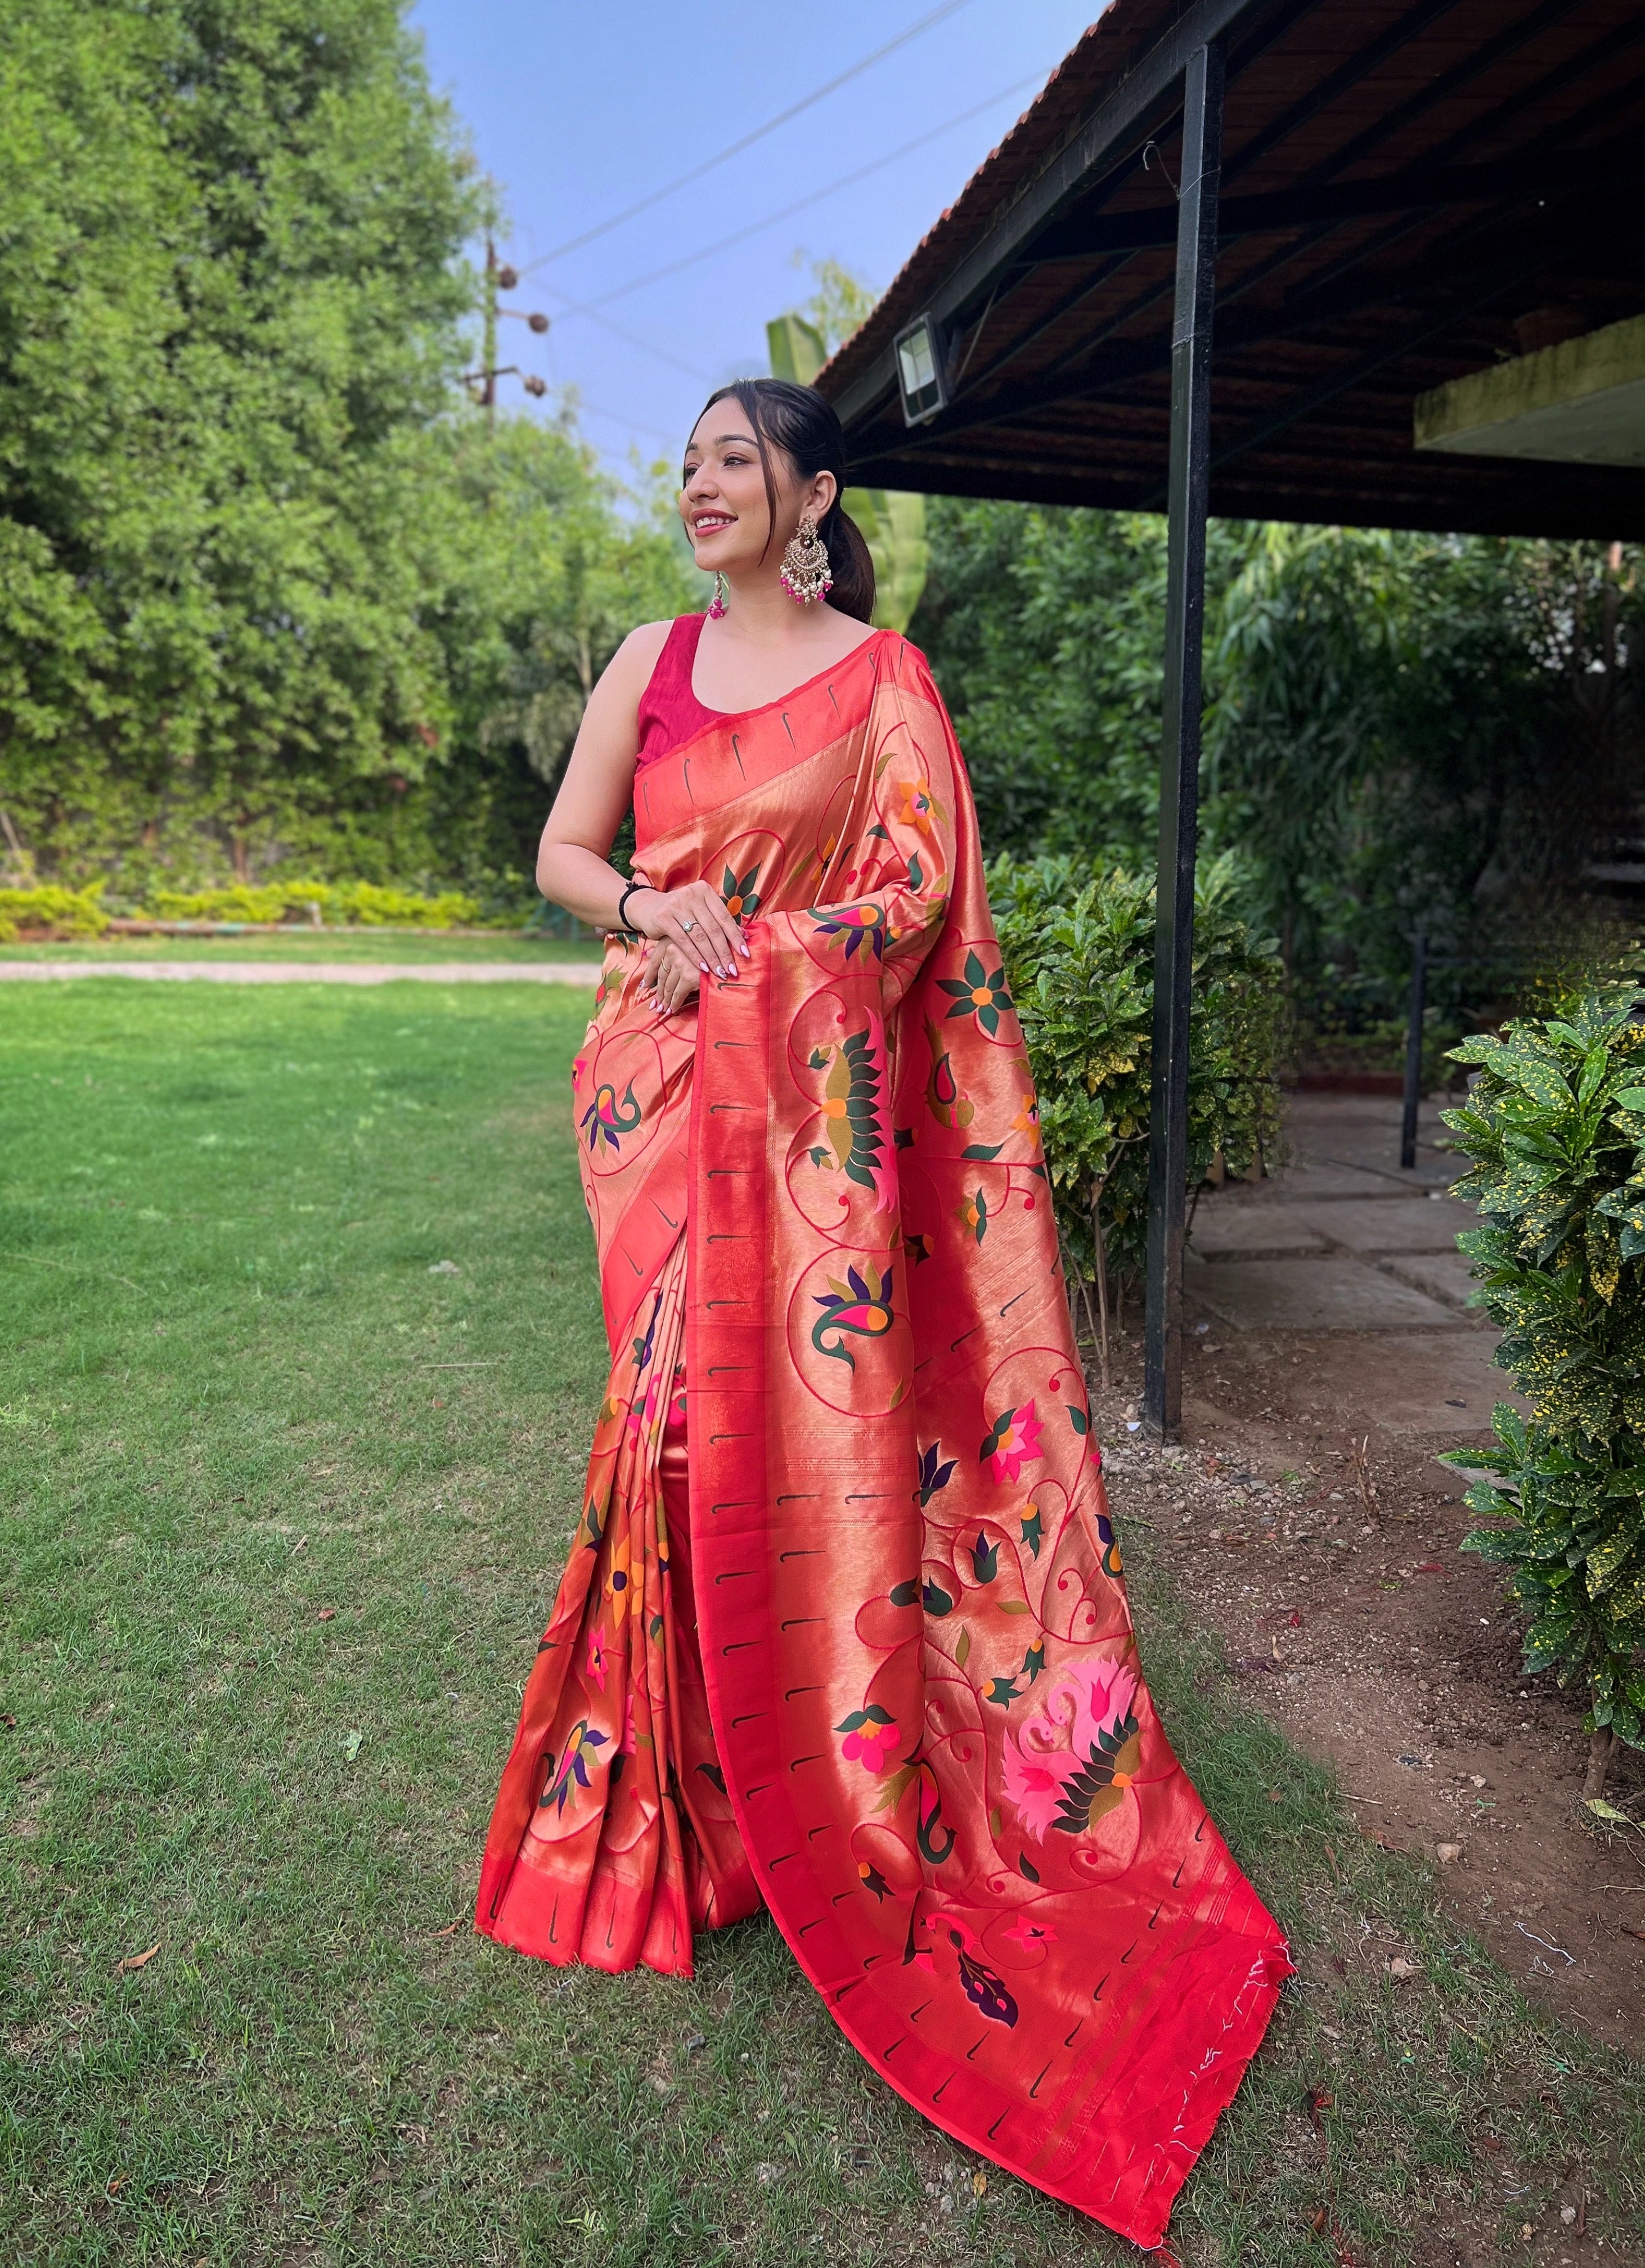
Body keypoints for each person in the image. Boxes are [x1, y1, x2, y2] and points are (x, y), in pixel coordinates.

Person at [475, 378, 1289, 2249]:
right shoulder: (651, 661)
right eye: (685, 464)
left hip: (814, 1110)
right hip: (660, 1095)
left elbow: (921, 899)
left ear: (813, 494)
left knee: (736, 1429)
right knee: (664, 1425)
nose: (696, 487)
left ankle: (798, 1786)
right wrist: (650, 924)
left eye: (731, 462)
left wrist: (770, 950)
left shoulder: (886, 681)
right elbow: (565, 854)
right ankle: (675, 1802)